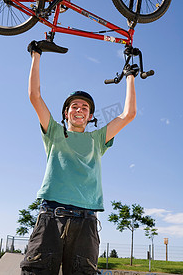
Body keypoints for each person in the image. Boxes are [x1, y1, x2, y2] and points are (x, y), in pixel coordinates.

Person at [20, 40, 137, 275]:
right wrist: (36, 55)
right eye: (74, 106)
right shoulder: (54, 132)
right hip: (52, 218)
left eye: (84, 107)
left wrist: (130, 77)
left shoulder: (97, 139)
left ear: (90, 115)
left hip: (86, 222)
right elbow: (35, 96)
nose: (79, 110)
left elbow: (128, 114)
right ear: (67, 112)